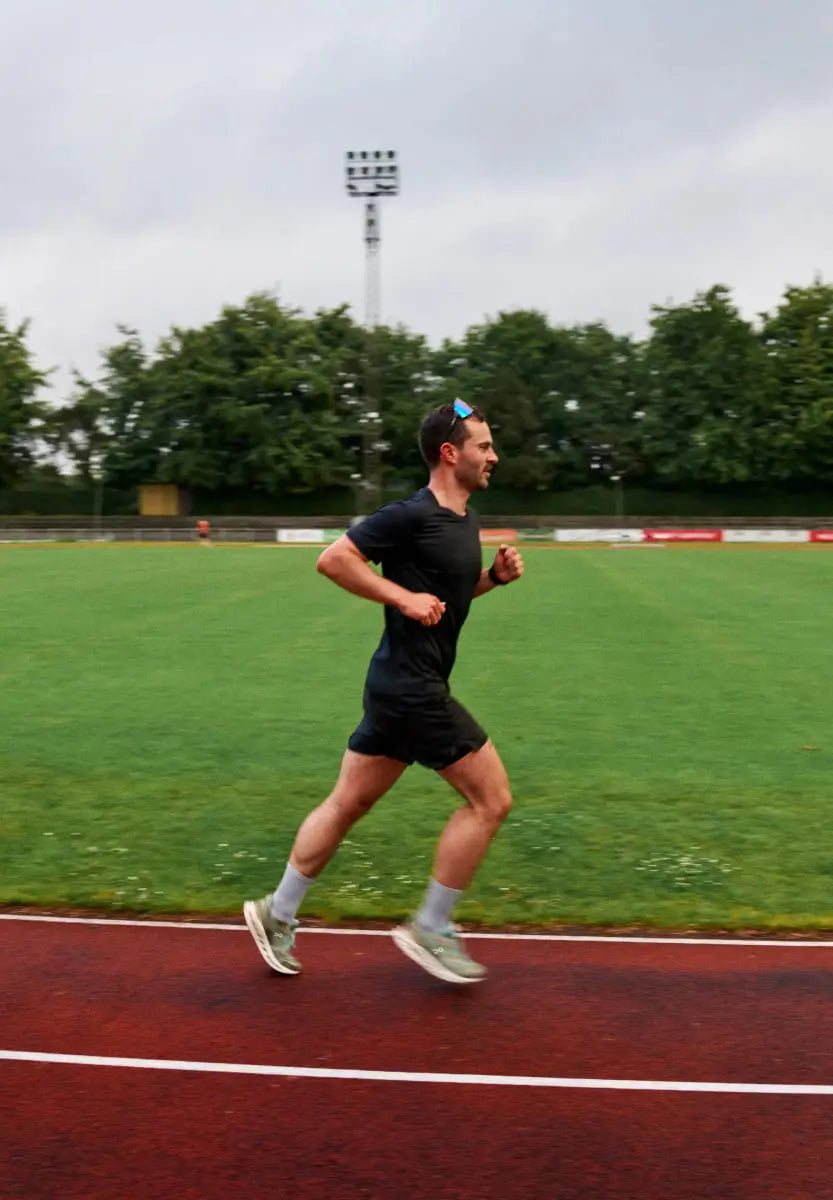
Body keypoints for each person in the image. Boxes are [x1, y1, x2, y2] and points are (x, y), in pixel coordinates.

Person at [243, 399, 524, 984]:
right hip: (413, 690)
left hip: (398, 686)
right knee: (491, 800)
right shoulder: (410, 515)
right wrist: (400, 597)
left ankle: (278, 912)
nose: (494, 456)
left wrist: (490, 580)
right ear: (450, 453)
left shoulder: (463, 520)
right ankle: (433, 926)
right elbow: (334, 559)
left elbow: (445, 597)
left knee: (349, 803)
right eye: (484, 446)